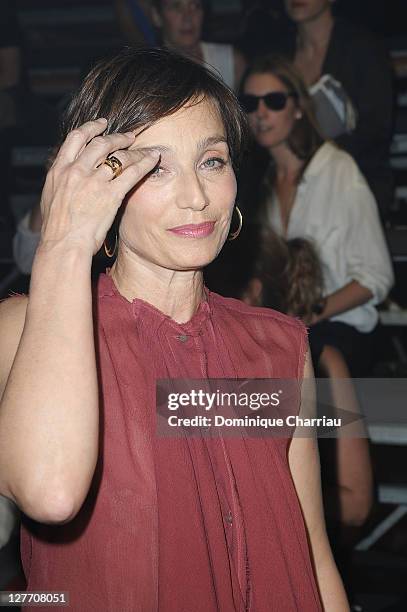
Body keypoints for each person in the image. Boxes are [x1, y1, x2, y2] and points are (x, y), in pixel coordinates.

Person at [0, 47, 348, 610]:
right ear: (96, 184)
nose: (196, 196)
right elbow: (50, 493)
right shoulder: (23, 327)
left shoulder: (278, 344)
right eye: (155, 167)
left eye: (212, 160)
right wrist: (63, 244)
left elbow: (311, 554)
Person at [240, 54, 394, 377]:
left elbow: (376, 278)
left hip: (342, 332)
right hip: (288, 333)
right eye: (251, 102)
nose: (261, 113)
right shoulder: (257, 182)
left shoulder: (338, 170)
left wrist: (310, 314)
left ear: (298, 108)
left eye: (275, 100)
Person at [282, 0, 394, 217]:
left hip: (355, 183)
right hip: (293, 187)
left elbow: (376, 128)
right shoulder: (278, 51)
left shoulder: (362, 48)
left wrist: (317, 162)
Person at [151, 0, 246, 91]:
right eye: (176, 6)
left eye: (195, 6)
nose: (187, 17)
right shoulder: (149, 72)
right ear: (157, 16)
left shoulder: (231, 62)